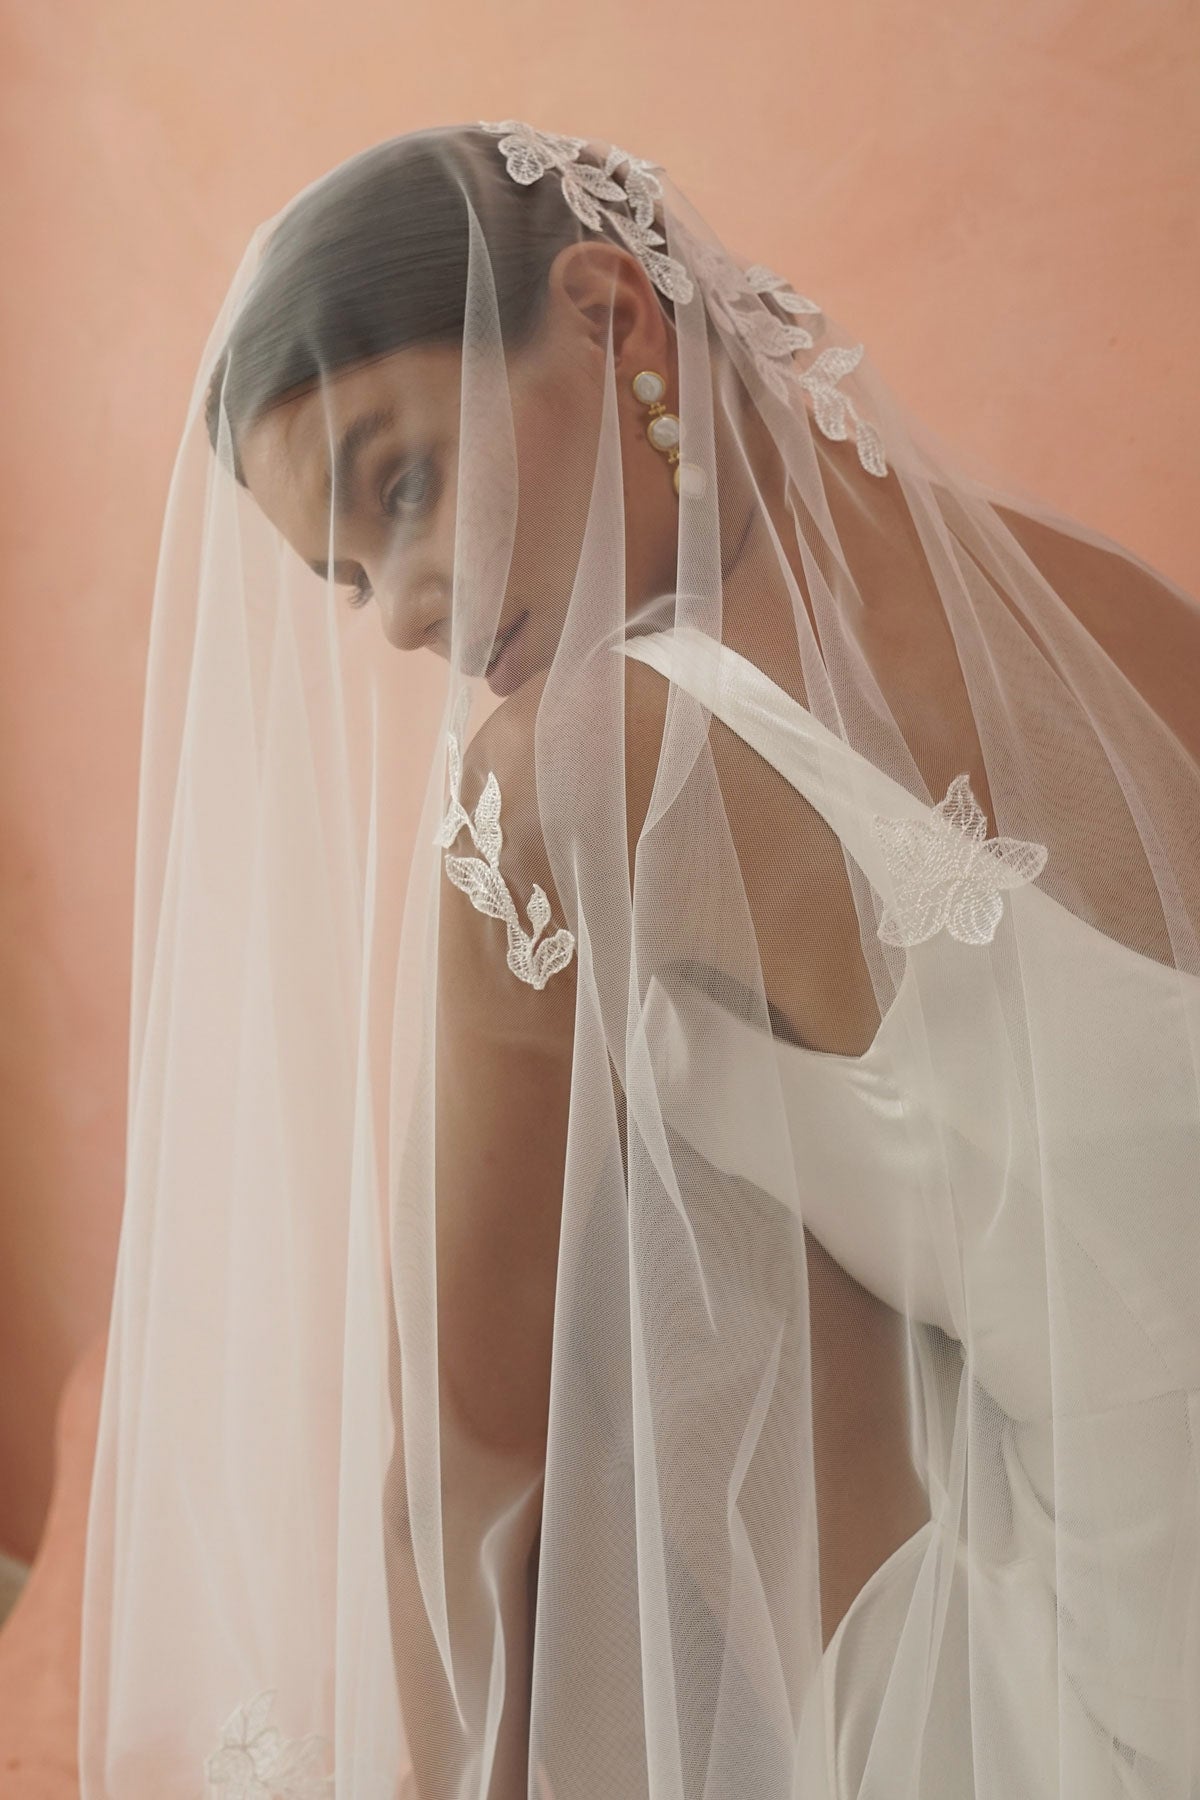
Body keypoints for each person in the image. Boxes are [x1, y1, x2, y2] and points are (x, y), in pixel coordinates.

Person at [77, 120, 1200, 1799]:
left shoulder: (571, 775)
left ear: (616, 322)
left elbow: (467, 1468)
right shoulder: (1101, 600)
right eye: (346, 574)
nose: (397, 614)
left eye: (406, 486)